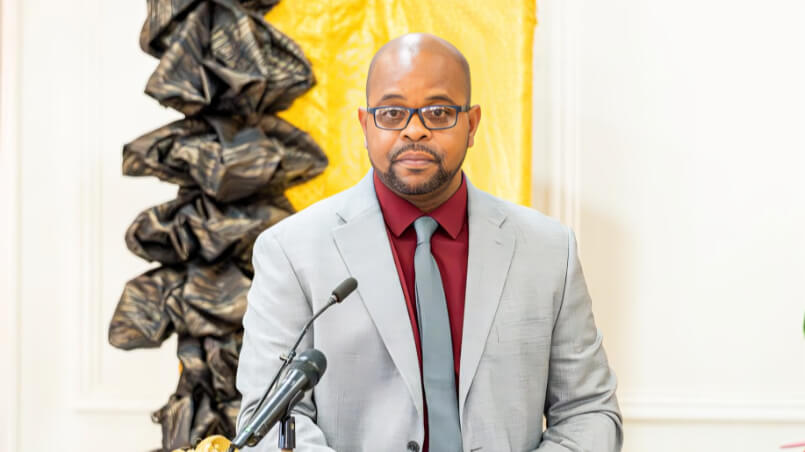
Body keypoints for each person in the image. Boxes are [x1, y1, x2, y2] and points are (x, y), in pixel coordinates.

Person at [235, 33, 623, 452]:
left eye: (438, 112)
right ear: (365, 125)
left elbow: (588, 411)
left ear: (471, 124)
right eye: (392, 113)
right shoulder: (291, 251)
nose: (415, 130)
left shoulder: (549, 250)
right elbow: (270, 420)